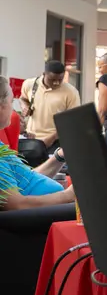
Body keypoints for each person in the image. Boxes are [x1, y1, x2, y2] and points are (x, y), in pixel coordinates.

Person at [0, 76, 74, 211]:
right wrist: (68, 196)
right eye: (11, 101)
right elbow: (16, 205)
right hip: (38, 219)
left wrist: (59, 157)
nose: (14, 110)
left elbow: (27, 180)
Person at [20, 60, 80, 153]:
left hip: (55, 141)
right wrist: (25, 106)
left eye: (60, 79)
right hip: (31, 138)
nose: (56, 83)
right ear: (44, 74)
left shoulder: (71, 92)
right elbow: (23, 98)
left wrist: (51, 138)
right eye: (52, 80)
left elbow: (71, 122)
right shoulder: (29, 84)